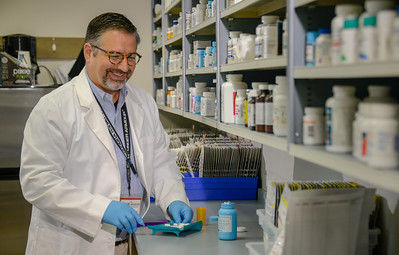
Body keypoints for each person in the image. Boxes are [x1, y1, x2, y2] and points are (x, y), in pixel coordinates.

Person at [19, 12, 192, 255]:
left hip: (124, 243)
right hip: (72, 244)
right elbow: (37, 182)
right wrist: (102, 209)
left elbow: (161, 159)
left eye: (131, 57)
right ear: (89, 52)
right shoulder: (54, 107)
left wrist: (174, 198)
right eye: (115, 56)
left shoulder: (142, 102)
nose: (124, 67)